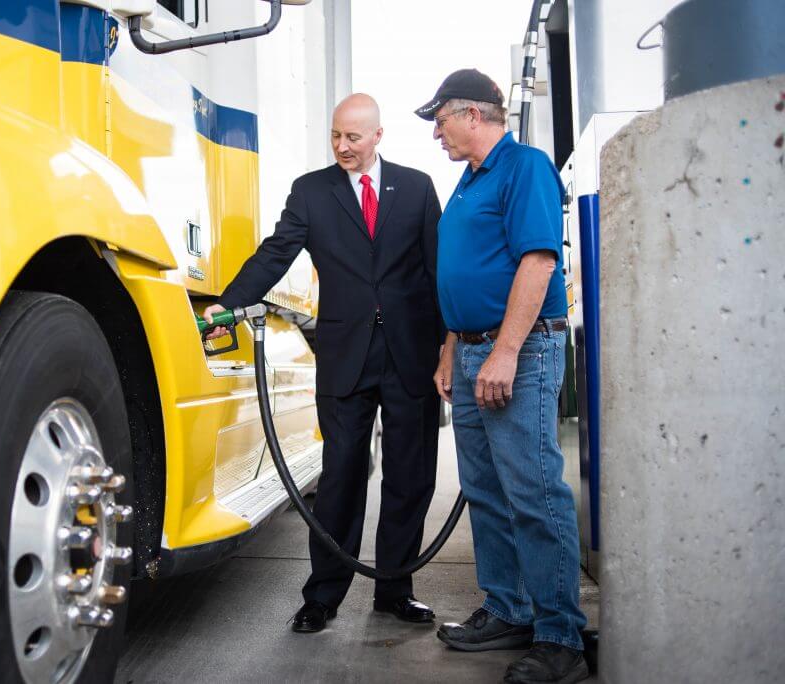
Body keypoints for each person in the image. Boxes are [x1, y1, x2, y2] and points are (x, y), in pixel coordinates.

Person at [203, 94, 443, 633]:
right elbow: (275, 252)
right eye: (335, 136)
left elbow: (436, 268)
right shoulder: (312, 191)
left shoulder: (418, 187)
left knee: (410, 477)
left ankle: (395, 592)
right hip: (344, 356)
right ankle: (323, 596)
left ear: (378, 136)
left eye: (353, 138)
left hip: (410, 355)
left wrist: (450, 344)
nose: (341, 146)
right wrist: (229, 301)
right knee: (340, 477)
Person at [414, 69, 588, 683]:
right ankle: (509, 608)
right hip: (469, 352)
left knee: (534, 494)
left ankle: (560, 636)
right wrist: (449, 351)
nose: (436, 133)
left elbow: (538, 262)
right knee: (486, 491)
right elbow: (466, 275)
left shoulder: (524, 168)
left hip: (519, 351)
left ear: (472, 114)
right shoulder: (468, 180)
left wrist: (506, 352)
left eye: (439, 120)